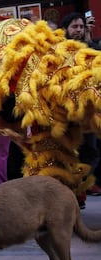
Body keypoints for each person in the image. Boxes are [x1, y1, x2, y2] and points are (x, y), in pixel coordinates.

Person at [61, 12, 101, 207]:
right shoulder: (60, 51)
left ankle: (79, 189)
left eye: (81, 26)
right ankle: (71, 195)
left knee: (91, 152)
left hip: (89, 113)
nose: (78, 30)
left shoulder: (90, 47)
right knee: (69, 153)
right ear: (66, 29)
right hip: (67, 113)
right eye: (74, 27)